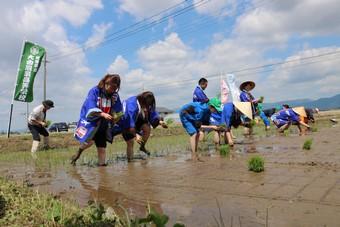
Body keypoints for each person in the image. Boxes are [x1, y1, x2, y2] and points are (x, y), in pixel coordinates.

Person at [71, 74, 123, 166]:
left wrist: (116, 117)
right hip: (93, 123)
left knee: (102, 147)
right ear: (106, 84)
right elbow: (90, 105)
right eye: (112, 87)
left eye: (115, 88)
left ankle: (102, 167)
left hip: (104, 125)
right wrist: (102, 114)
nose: (113, 90)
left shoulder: (114, 95)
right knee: (89, 142)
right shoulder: (95, 91)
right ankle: (78, 152)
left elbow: (118, 109)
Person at [121, 91, 168, 162]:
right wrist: (135, 135)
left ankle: (142, 147)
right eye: (146, 105)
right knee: (130, 142)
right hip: (126, 122)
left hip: (137, 120)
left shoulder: (146, 104)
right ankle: (130, 162)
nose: (147, 108)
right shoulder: (131, 106)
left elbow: (153, 113)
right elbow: (128, 122)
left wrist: (159, 122)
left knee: (147, 128)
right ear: (142, 101)